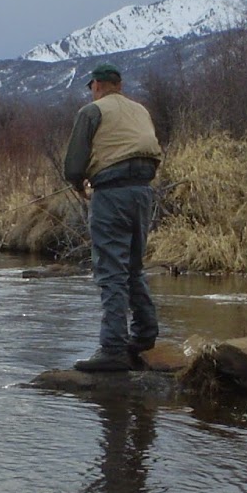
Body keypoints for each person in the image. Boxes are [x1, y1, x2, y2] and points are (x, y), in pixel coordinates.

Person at [62, 63, 163, 371]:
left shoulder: (92, 112)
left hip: (111, 194)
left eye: (92, 87)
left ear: (96, 85)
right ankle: (145, 335)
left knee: (111, 272)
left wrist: (79, 184)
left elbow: (73, 165)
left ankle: (113, 348)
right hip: (143, 193)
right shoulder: (140, 110)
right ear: (119, 85)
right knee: (133, 267)